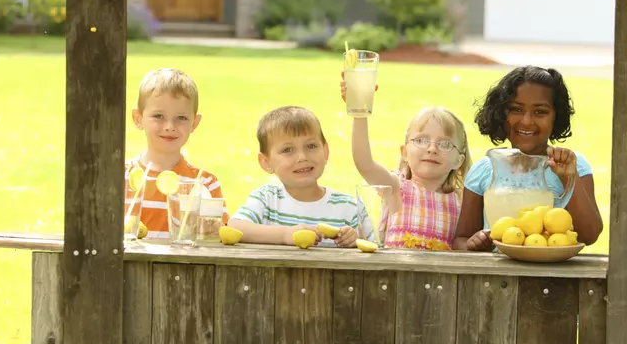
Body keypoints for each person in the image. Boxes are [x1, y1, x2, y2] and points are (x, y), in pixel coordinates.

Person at [452, 66, 603, 251]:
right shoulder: (485, 170)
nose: (526, 121)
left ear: (556, 116)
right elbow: (460, 239)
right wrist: (473, 245)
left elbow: (589, 235)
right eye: (516, 109)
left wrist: (568, 178)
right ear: (501, 113)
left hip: (552, 277)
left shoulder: (573, 165)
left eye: (540, 112)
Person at [229, 106, 373, 247]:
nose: (302, 157)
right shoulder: (266, 199)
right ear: (266, 163)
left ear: (325, 151)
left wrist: (355, 240)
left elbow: (373, 246)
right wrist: (285, 235)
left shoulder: (349, 208)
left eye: (311, 146)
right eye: (287, 150)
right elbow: (235, 226)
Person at [345, 92, 472, 250]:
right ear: (404, 152)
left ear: (458, 161)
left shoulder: (461, 201)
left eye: (445, 144)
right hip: (394, 274)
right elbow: (364, 164)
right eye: (421, 140)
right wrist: (360, 113)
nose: (432, 149)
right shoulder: (395, 188)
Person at [123, 68, 228, 239]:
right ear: (138, 118)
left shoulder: (205, 183)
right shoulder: (122, 177)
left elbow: (219, 236)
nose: (170, 126)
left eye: (181, 118)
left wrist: (211, 230)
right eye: (158, 116)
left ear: (194, 123)